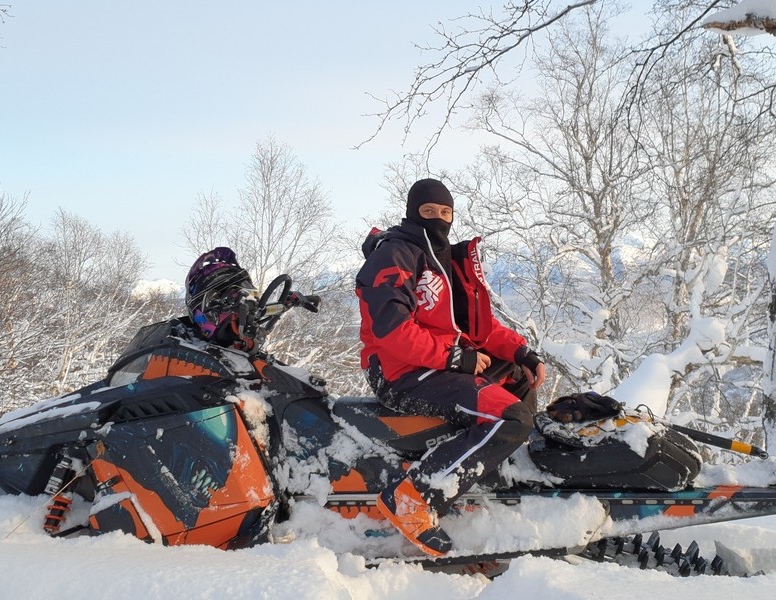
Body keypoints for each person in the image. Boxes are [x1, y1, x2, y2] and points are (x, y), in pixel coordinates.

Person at [355, 178, 546, 557]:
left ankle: (489, 471)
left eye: (446, 213)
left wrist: (521, 352)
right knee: (509, 417)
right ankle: (413, 498)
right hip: (400, 372)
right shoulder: (397, 254)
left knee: (519, 384)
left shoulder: (443, 257)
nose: (439, 219)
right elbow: (391, 330)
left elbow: (477, 327)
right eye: (429, 212)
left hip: (438, 362)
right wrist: (455, 359)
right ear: (413, 213)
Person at [185, 246, 318, 349]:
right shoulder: (184, 355)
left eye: (246, 286)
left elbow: (258, 310)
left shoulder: (242, 328)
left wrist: (288, 301)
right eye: (230, 292)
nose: (245, 295)